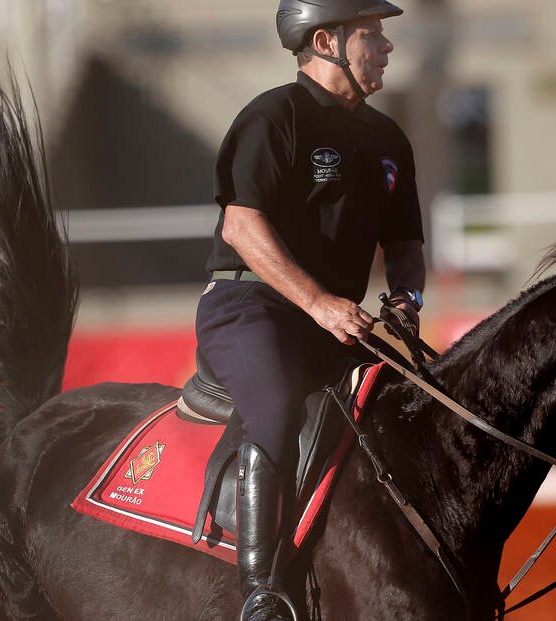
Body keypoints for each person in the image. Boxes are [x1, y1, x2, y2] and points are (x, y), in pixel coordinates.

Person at [195, 0, 425, 618]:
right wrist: (319, 302)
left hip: (337, 318)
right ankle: (260, 594)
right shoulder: (274, 117)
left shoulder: (389, 139)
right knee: (275, 407)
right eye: (372, 35)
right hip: (248, 307)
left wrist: (407, 299)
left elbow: (405, 243)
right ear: (326, 42)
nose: (387, 47)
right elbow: (242, 226)